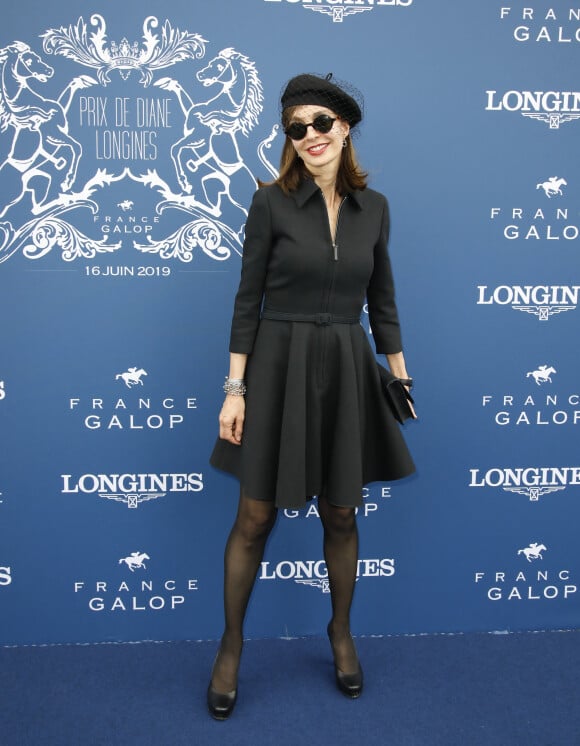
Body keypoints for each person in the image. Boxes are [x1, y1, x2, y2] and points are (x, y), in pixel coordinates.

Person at [207, 73, 416, 720]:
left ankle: (341, 632)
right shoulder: (268, 203)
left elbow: (381, 301)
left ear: (345, 127)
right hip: (276, 365)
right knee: (254, 516)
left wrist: (400, 377)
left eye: (320, 123)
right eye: (296, 128)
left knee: (342, 513)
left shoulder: (374, 208)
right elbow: (247, 301)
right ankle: (231, 644)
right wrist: (234, 389)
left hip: (347, 365)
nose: (309, 137)